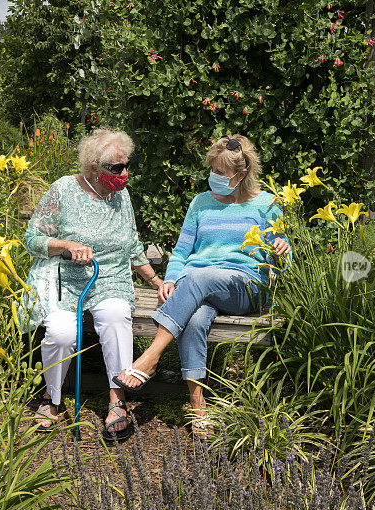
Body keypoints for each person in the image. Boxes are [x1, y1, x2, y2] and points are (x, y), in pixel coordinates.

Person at [113, 134, 291, 439]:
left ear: (242, 173)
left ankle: (151, 356)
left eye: (221, 172)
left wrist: (282, 248)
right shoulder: (201, 203)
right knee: (194, 318)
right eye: (212, 169)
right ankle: (198, 404)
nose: (214, 177)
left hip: (244, 285)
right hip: (198, 286)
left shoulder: (267, 204)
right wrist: (169, 279)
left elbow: (285, 256)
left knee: (198, 278)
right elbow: (182, 251)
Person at [21, 128, 162, 439]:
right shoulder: (62, 191)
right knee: (60, 332)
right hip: (67, 282)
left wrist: (155, 282)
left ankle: (117, 399)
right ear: (94, 168)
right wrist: (65, 245)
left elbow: (132, 245)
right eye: (117, 168)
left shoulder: (121, 196)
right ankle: (52, 397)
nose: (125, 174)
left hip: (110, 278)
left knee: (114, 316)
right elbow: (32, 239)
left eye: (127, 165)